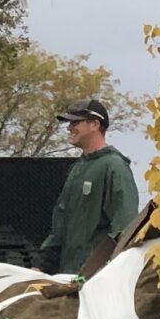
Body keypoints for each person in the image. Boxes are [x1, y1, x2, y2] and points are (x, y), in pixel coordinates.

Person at [40, 98, 144, 276]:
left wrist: (101, 271)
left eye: (75, 122)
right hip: (68, 277)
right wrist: (41, 265)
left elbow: (124, 229)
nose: (69, 127)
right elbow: (60, 227)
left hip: (97, 280)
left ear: (95, 124)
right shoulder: (77, 169)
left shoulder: (115, 167)